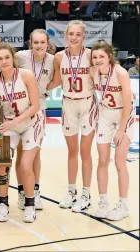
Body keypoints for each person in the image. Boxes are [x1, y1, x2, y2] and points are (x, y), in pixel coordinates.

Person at [0, 43, 41, 223]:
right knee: (2, 164)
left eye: (7, 57)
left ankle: (29, 204)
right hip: (8, 125)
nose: (4, 61)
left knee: (25, 165)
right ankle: (4, 204)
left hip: (30, 124)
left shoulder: (26, 75)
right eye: (0, 58)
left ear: (12, 58)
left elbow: (35, 106)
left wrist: (15, 121)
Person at [47, 20, 97, 213]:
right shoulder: (59, 57)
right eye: (71, 34)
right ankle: (71, 191)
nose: (74, 37)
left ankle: (86, 194)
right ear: (66, 35)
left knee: (85, 152)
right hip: (68, 103)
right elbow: (57, 81)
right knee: (71, 152)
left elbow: (101, 77)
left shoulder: (91, 55)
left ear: (83, 37)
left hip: (87, 104)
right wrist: (37, 88)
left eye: (78, 34)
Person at [90, 40, 136, 221]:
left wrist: (121, 129)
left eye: (102, 56)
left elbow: (128, 103)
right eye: (95, 57)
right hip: (105, 114)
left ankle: (123, 205)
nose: (98, 60)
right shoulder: (94, 72)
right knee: (102, 160)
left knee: (119, 161)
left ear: (109, 56)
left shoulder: (120, 72)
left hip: (124, 114)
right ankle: (103, 203)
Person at [14, 29, 54, 211]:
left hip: (39, 111)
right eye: (35, 42)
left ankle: (35, 191)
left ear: (48, 43)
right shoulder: (20, 56)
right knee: (21, 153)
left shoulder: (53, 60)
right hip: (20, 109)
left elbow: (59, 79)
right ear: (30, 43)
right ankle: (22, 192)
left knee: (35, 153)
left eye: (42, 42)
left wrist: (43, 88)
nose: (39, 46)